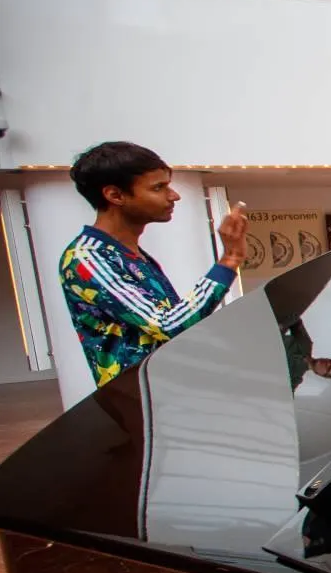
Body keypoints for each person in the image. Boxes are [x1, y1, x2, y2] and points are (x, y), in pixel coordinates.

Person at [60, 142, 248, 388]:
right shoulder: (88, 258)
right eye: (159, 187)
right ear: (115, 195)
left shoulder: (129, 254)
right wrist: (230, 259)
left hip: (166, 393)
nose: (174, 196)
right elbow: (169, 325)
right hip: (139, 400)